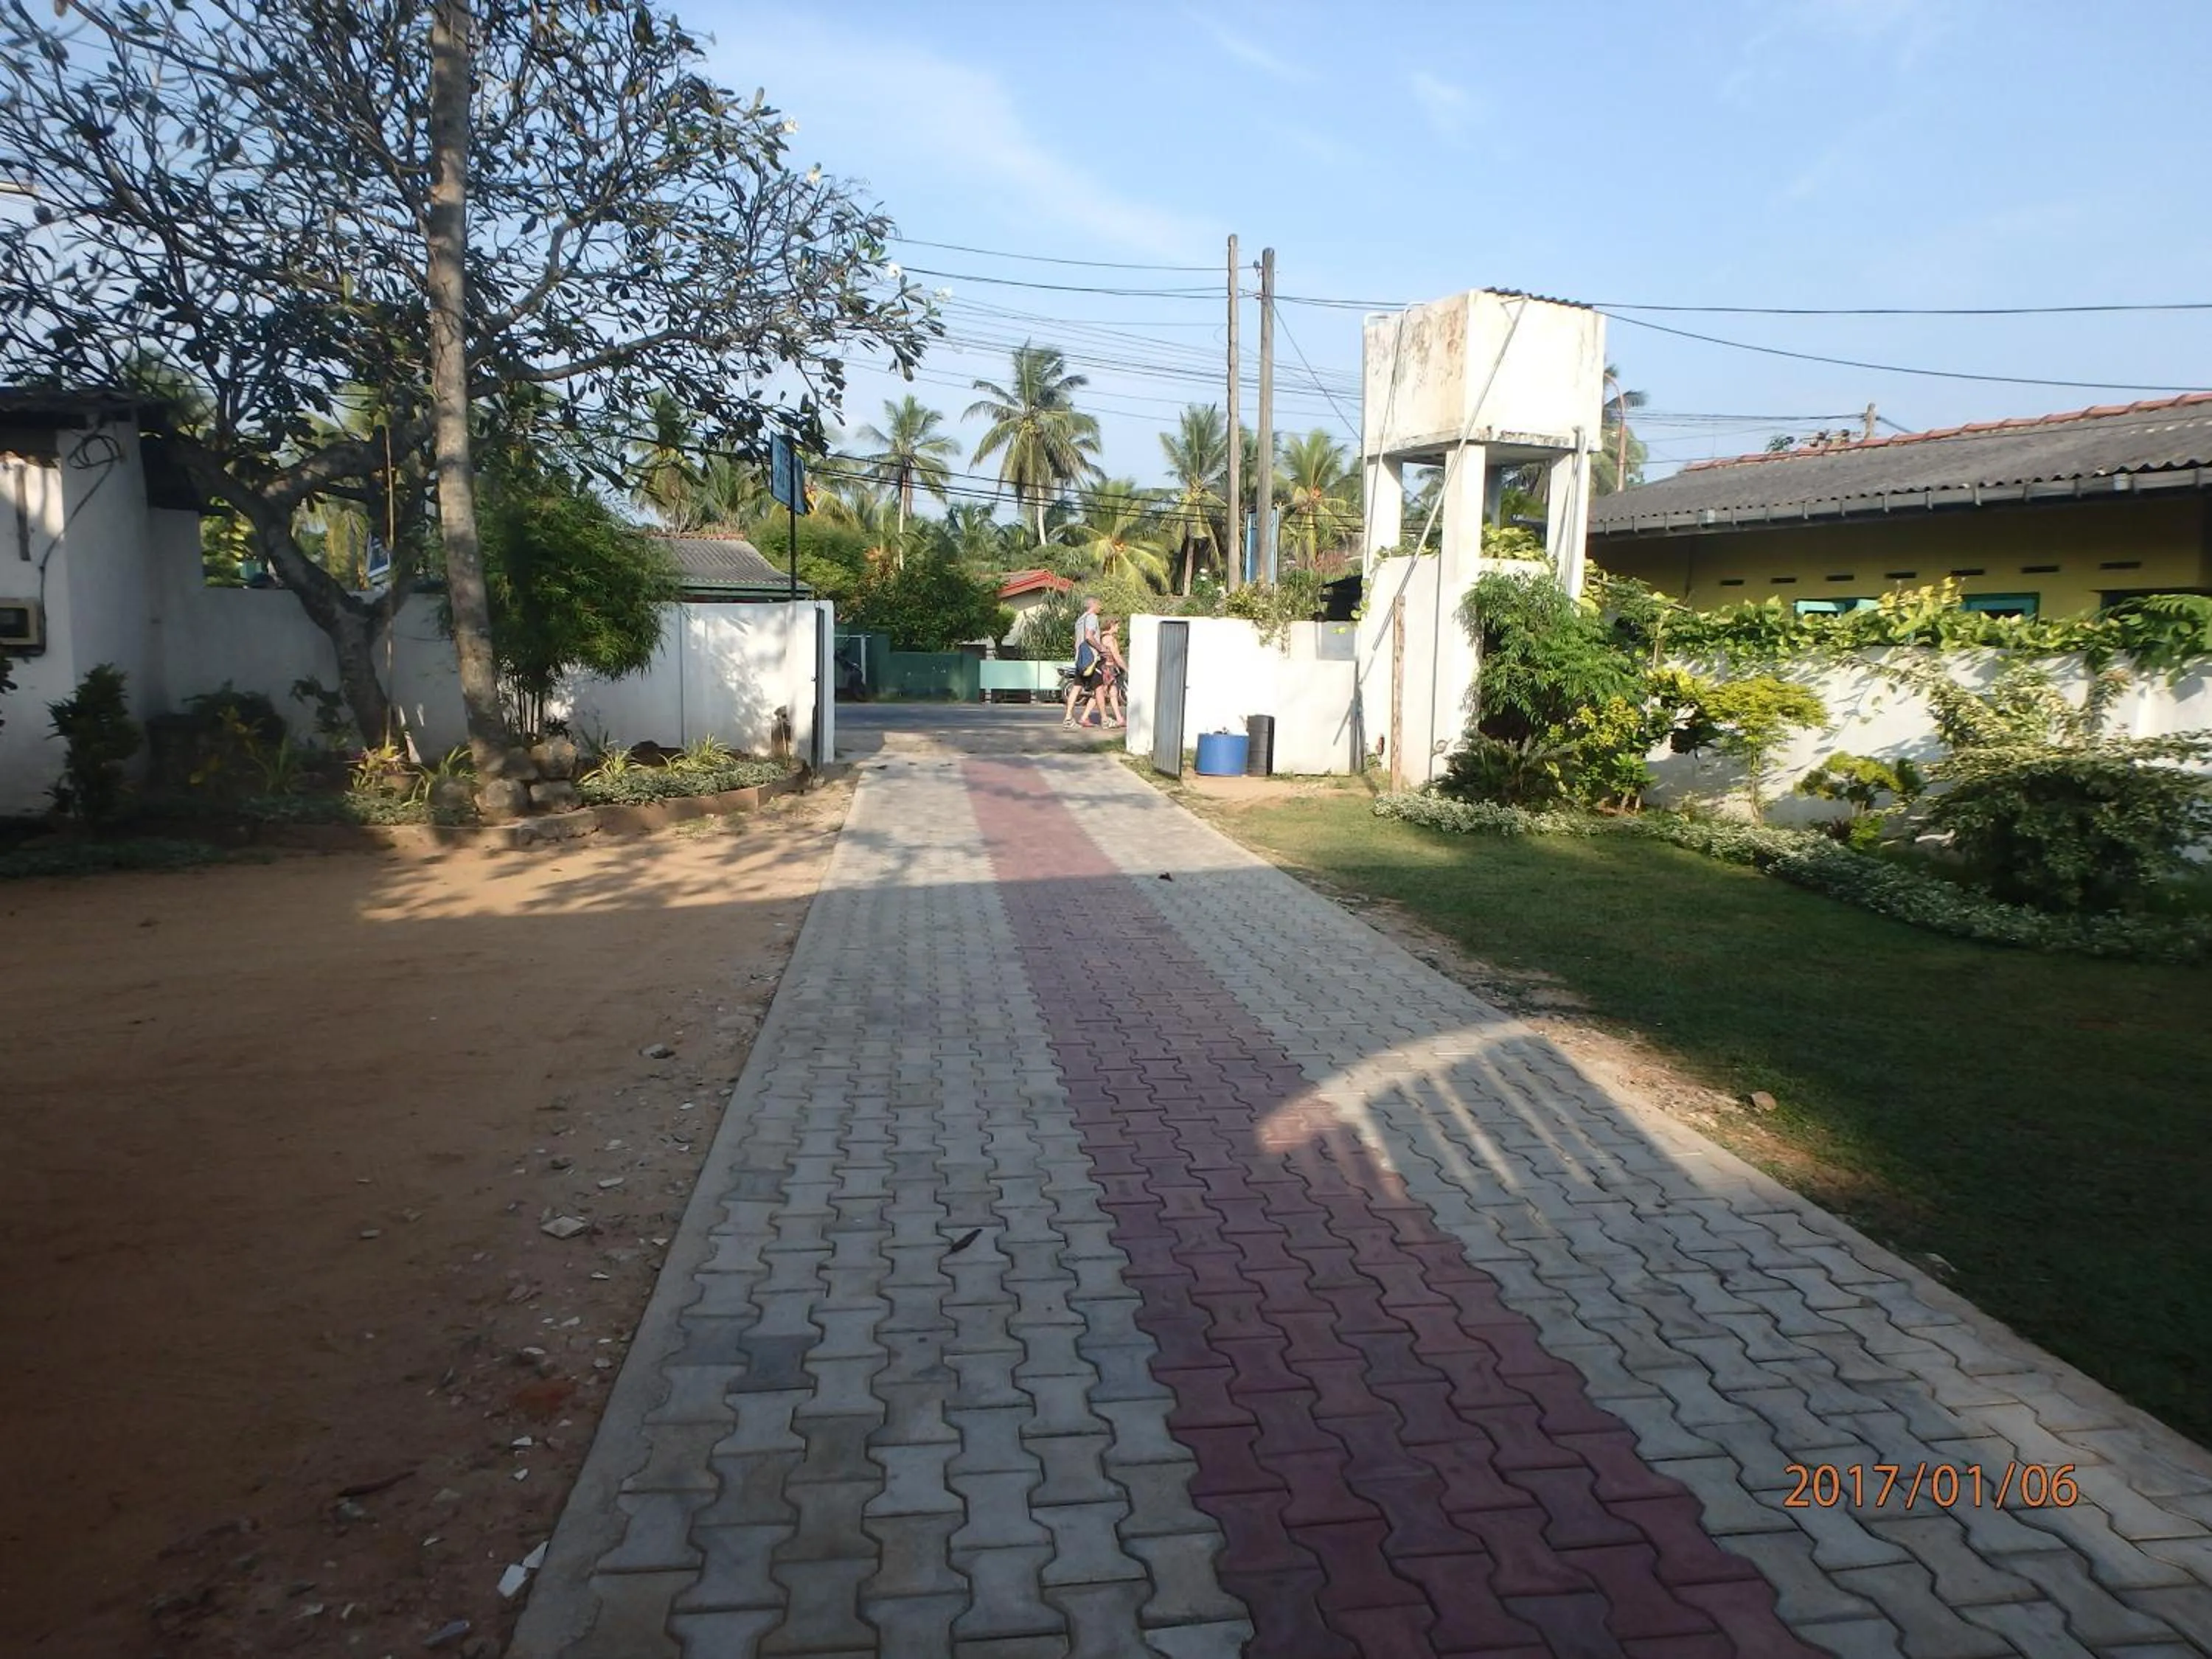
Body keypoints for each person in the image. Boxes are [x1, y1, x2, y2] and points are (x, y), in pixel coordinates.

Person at [1062, 596, 1103, 726]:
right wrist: (1100, 648)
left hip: (1081, 659)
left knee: (1076, 687)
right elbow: (1089, 636)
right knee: (1099, 688)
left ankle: (1068, 718)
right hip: (1091, 659)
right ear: (1093, 604)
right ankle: (1105, 719)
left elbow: (1077, 641)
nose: (1101, 607)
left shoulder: (1080, 620)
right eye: (1099, 604)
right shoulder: (1092, 617)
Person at [1092, 619, 1127, 728]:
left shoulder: (1102, 637)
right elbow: (1116, 655)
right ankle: (1084, 717)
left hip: (1106, 668)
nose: (1118, 628)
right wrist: (1126, 668)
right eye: (1117, 625)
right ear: (1112, 625)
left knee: (1113, 693)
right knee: (1099, 694)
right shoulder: (1109, 638)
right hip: (1107, 668)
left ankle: (1119, 718)